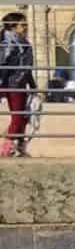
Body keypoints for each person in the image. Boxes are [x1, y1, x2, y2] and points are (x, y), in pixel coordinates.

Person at [0, 11, 34, 157]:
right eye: (23, 23)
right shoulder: (9, 42)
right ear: (14, 26)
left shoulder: (20, 40)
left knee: (23, 115)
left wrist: (32, 85)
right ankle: (7, 148)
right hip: (12, 83)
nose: (26, 26)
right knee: (19, 116)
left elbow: (26, 67)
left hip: (18, 82)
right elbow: (3, 62)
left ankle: (18, 145)